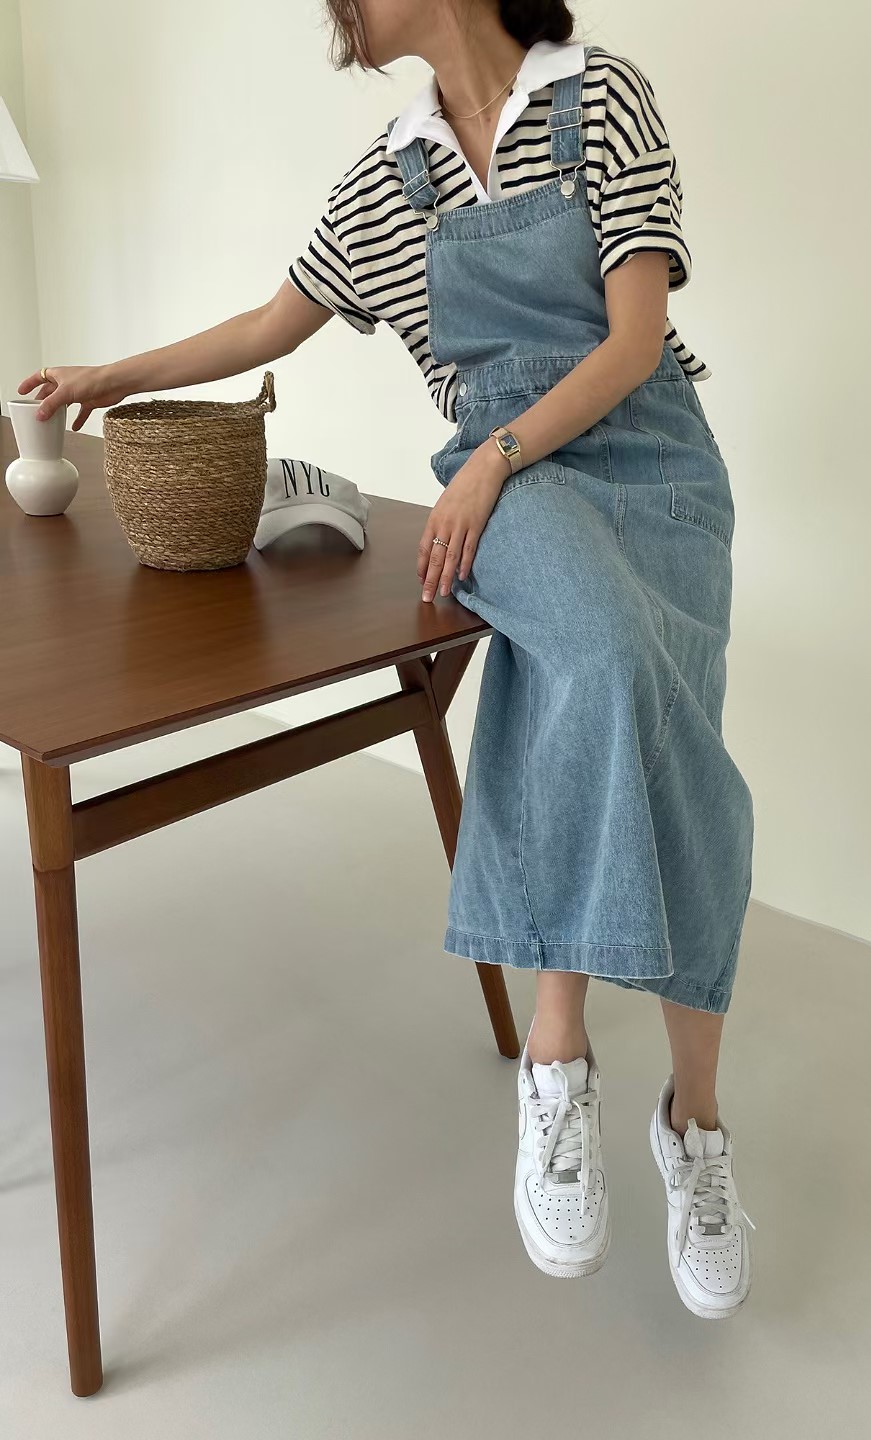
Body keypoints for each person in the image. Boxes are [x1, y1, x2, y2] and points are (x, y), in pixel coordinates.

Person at [20, 0, 756, 1319]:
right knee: (596, 651)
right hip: (510, 495)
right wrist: (104, 378)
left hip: (656, 473)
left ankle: (693, 1124)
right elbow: (267, 327)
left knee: (674, 736)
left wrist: (496, 452)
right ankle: (558, 1053)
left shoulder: (602, 97)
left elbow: (636, 342)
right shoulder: (387, 179)